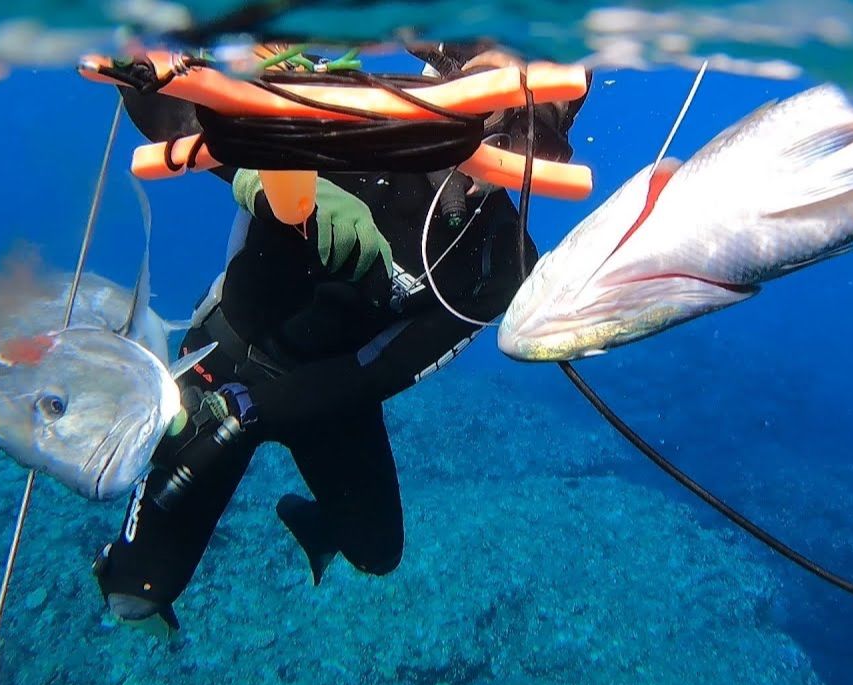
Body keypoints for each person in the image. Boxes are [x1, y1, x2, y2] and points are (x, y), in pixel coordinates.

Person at [90, 42, 587, 633]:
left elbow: (377, 372)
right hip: (231, 354)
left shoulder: (502, 261)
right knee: (136, 597)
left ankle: (308, 519)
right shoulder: (351, 118)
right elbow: (177, 108)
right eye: (495, 101)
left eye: (539, 120)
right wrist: (260, 167)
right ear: (448, 84)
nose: (509, 133)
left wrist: (255, 413)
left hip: (329, 392)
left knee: (378, 553)